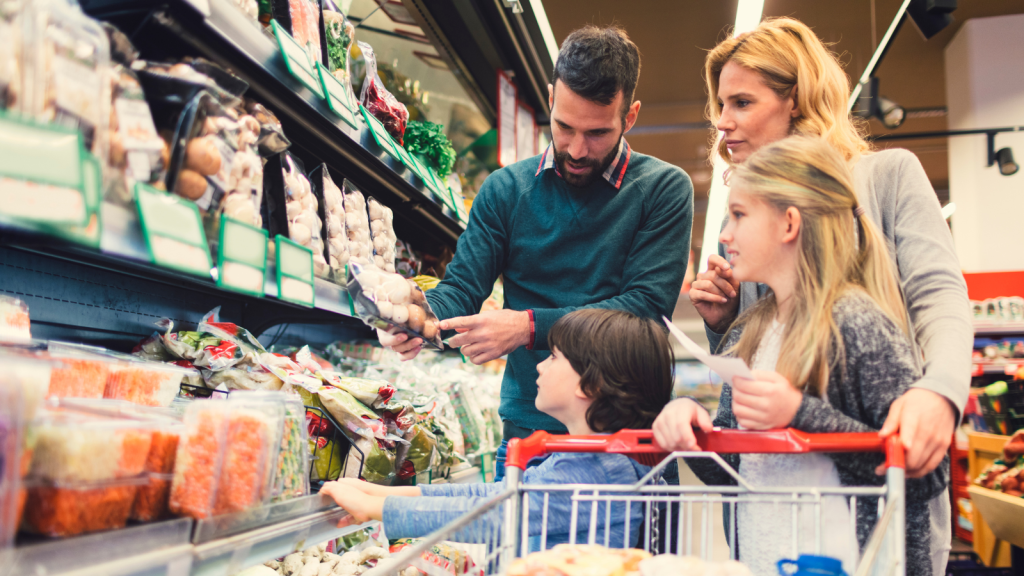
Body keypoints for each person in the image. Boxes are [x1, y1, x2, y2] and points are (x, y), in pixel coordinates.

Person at [655, 17, 971, 481]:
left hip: (878, 482)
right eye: (721, 104)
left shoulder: (886, 177)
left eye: (742, 102)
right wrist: (723, 324)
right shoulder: (742, 218)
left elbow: (937, 295)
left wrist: (939, 391)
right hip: (771, 494)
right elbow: (763, 352)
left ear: (797, 100)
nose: (722, 122)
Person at [378, 25, 693, 478]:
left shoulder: (663, 188)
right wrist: (416, 315)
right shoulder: (505, 190)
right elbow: (462, 290)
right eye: (564, 127)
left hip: (629, 438)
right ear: (550, 98)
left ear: (632, 115)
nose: (577, 149)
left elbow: (643, 313)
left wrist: (527, 327)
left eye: (598, 132)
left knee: (626, 553)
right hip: (530, 432)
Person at [670, 136, 947, 575]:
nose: (724, 235)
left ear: (788, 224)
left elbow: (925, 475)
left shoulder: (855, 324)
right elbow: (736, 472)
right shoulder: (750, 331)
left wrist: (799, 413)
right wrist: (691, 434)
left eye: (739, 215)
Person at [321, 309, 674, 550]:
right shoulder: (588, 456)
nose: (539, 367)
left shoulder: (598, 474)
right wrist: (381, 496)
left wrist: (380, 511)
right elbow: (494, 497)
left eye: (553, 357)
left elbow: (498, 515)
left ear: (590, 385)